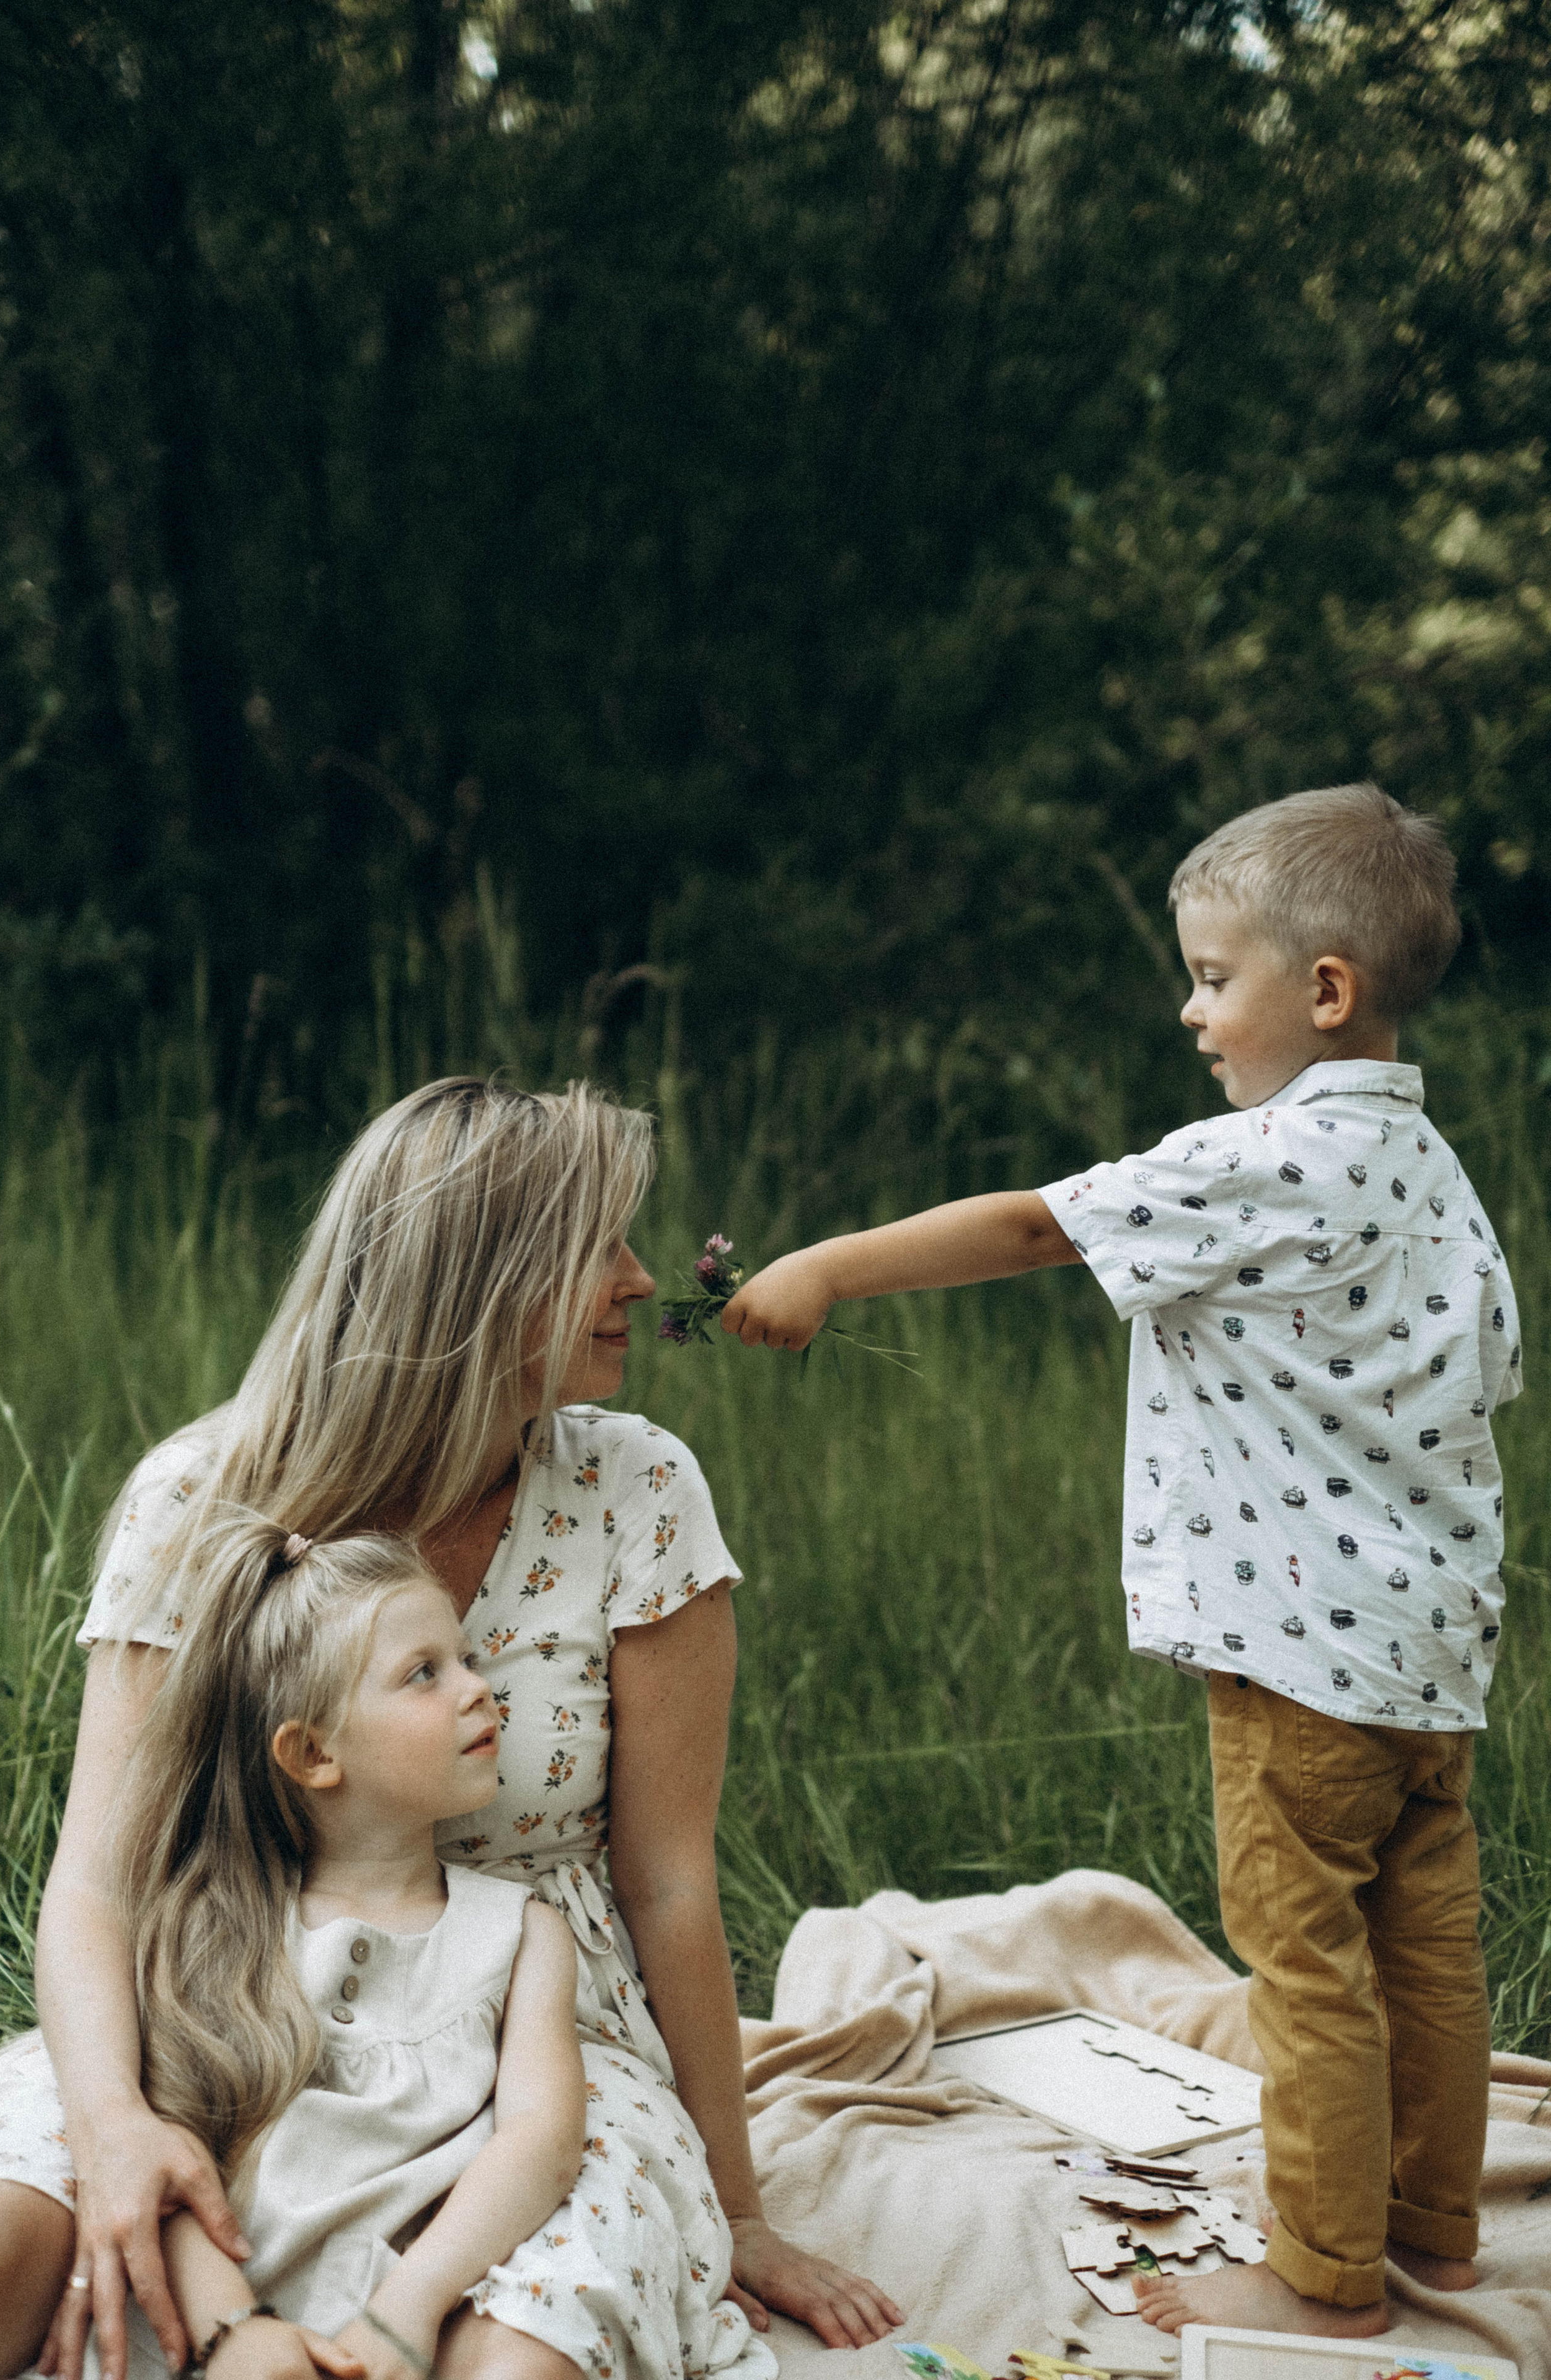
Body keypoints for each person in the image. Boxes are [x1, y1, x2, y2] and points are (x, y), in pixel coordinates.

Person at [720, 785, 1521, 2340]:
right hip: (1430, 1659)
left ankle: (1322, 2277)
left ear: (1325, 989)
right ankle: (1432, 2233)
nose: (1190, 1008)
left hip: (1297, 1662)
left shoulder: (1267, 1157)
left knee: (1303, 1962)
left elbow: (1033, 1229)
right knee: (1421, 1948)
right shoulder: (1437, 1181)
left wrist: (822, 1268)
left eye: (1215, 978)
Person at [0, 1078, 903, 2380]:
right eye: (602, 1249)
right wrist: (112, 2116)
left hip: (536, 2023)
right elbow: (100, 1877)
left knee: (520, 2352)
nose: (639, 1281)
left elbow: (669, 1880)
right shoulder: (203, 1492)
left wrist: (736, 2211)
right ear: (478, 1281)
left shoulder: (634, 1487)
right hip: (220, 1995)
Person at [82, 1513, 588, 2380]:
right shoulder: (222, 1926)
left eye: (465, 1659)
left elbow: (541, 2141)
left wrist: (408, 2312)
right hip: (231, 2328)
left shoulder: (519, 1933)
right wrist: (235, 2333)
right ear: (314, 1752)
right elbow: (174, 2155)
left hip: (409, 2326)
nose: (476, 1688)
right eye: (423, 1674)